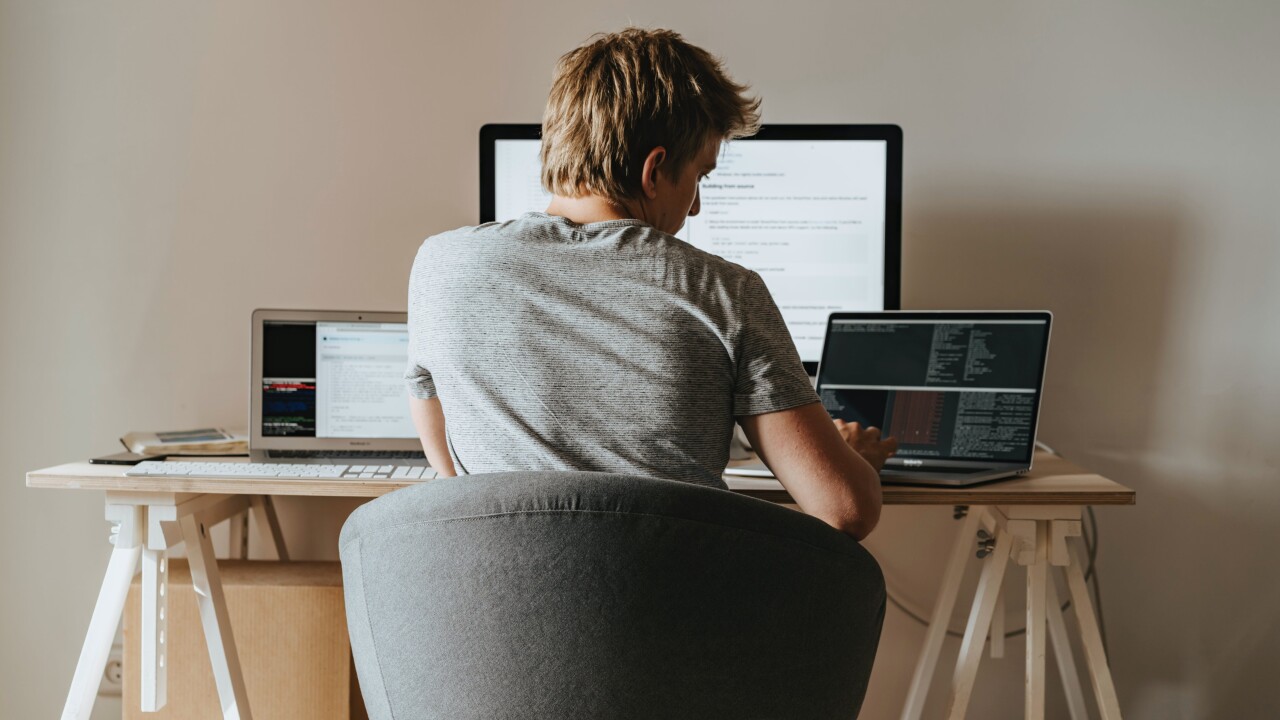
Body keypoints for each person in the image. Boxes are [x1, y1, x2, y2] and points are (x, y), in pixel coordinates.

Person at [405, 28, 897, 540]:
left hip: (491, 608)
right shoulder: (725, 290)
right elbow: (844, 510)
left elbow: (452, 479)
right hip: (674, 614)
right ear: (654, 169)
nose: (697, 205)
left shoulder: (441, 264)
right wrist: (853, 461)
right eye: (700, 177)